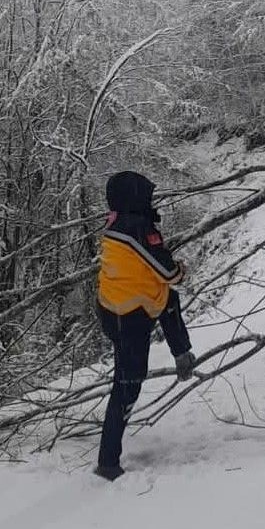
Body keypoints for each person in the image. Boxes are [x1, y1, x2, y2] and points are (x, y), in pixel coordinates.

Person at [94, 171, 196, 481]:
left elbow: (151, 271)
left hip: (116, 304)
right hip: (128, 315)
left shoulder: (118, 222)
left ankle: (183, 354)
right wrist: (180, 269)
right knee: (127, 386)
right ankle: (108, 463)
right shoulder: (135, 228)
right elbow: (167, 272)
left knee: (169, 301)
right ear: (136, 198)